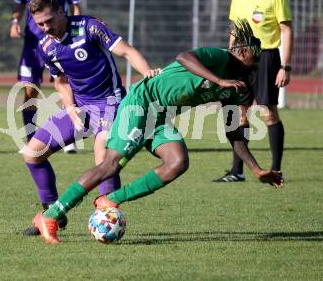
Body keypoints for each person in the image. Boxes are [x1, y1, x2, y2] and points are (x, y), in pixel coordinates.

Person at [29, 19, 284, 244]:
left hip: (158, 116)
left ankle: (111, 199)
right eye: (255, 57)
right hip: (140, 103)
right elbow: (185, 57)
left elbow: (233, 132)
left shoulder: (236, 87)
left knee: (177, 162)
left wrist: (256, 169)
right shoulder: (220, 58)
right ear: (240, 52)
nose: (258, 63)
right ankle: (50, 216)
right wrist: (218, 80)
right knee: (110, 165)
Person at [21, 0, 160, 236]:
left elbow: (127, 52)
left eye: (49, 21)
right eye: (40, 23)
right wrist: (70, 106)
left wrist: (147, 72)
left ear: (62, 11)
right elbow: (61, 81)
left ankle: (108, 215)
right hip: (81, 107)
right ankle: (53, 214)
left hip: (111, 102)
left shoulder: (90, 27)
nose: (45, 27)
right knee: (33, 153)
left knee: (103, 153)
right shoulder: (45, 46)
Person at [212, 0, 293, 182]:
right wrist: (229, 60)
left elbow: (286, 30)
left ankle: (276, 169)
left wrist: (285, 66)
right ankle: (237, 171)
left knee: (268, 112)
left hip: (266, 57)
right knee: (240, 114)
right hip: (240, 60)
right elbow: (235, 29)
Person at [10, 0, 81, 154]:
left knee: (64, 87)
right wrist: (14, 21)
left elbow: (75, 5)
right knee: (30, 90)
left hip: (59, 42)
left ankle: (69, 137)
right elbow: (19, 3)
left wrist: (75, 29)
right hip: (33, 46)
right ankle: (31, 140)